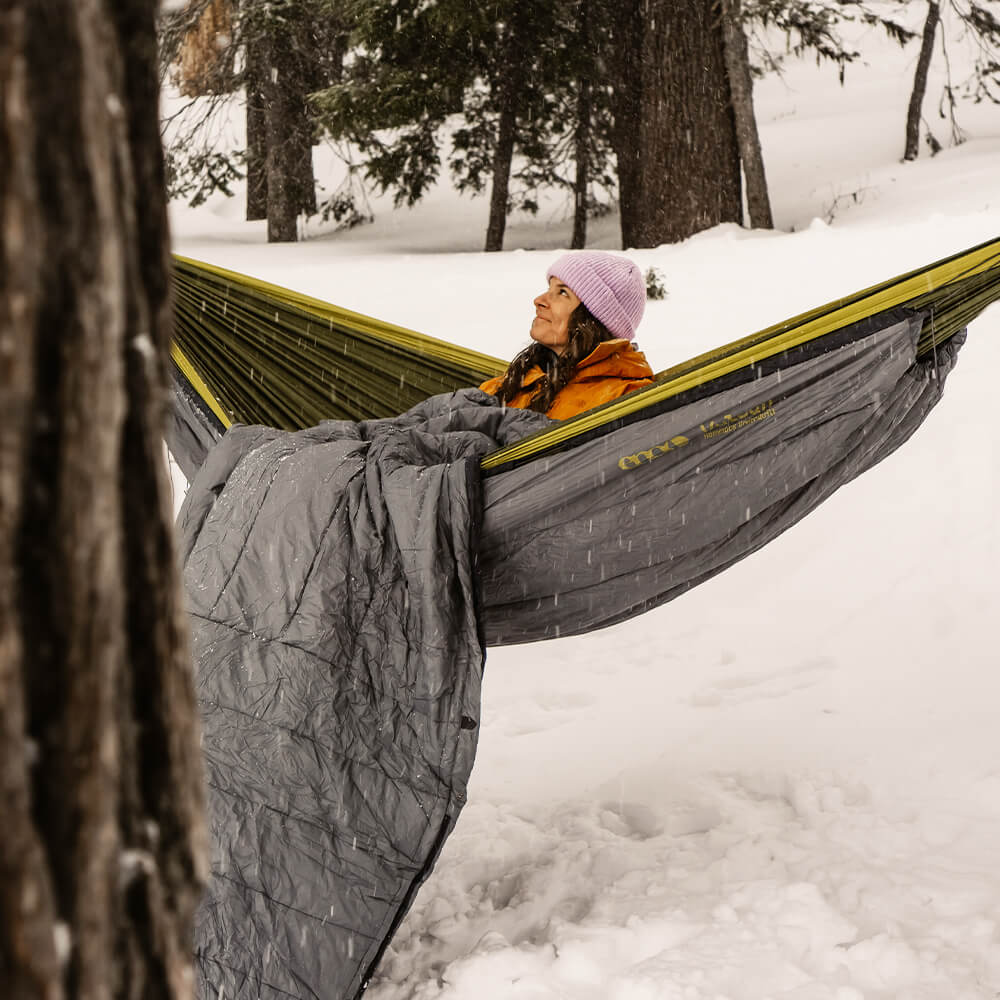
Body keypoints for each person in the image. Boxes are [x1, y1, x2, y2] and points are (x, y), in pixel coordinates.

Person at [479, 251, 655, 420]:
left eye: (563, 292)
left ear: (592, 320)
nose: (539, 300)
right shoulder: (520, 379)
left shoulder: (623, 400)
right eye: (549, 288)